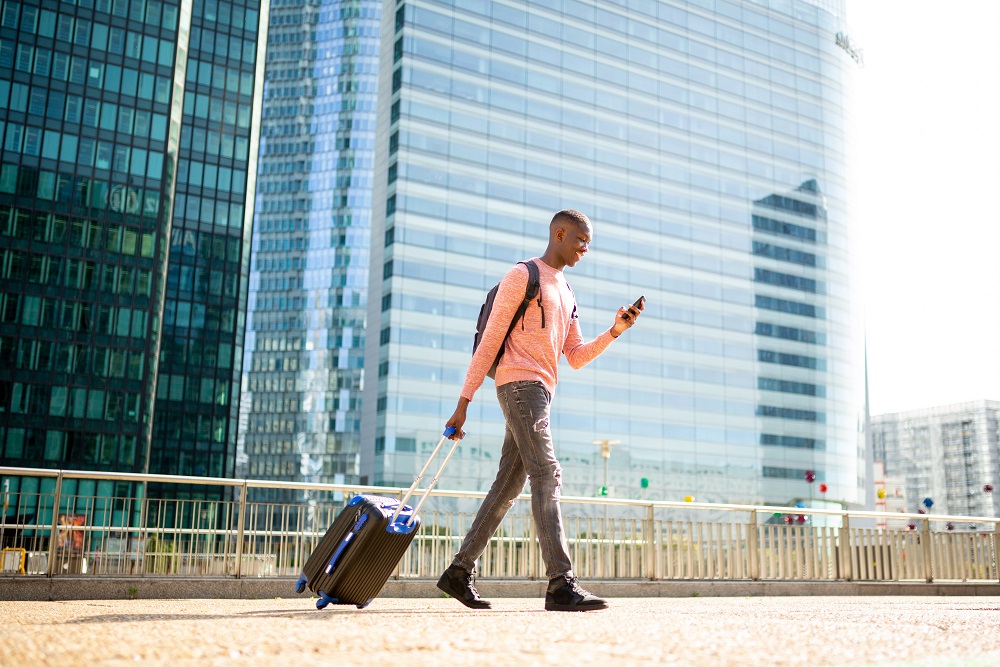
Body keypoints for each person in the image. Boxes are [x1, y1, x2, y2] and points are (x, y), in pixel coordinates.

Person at [436, 209, 644, 612]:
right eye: (581, 240)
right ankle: (560, 584)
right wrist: (463, 403)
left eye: (589, 243)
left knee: (508, 486)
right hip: (519, 386)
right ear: (560, 234)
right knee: (547, 473)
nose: (586, 248)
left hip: (541, 392)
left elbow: (576, 356)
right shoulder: (523, 275)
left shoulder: (567, 292)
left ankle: (459, 572)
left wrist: (616, 331)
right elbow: (490, 340)